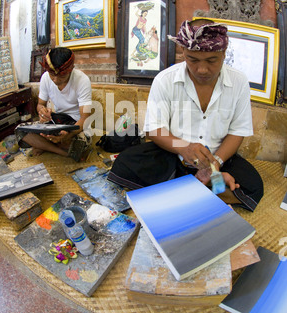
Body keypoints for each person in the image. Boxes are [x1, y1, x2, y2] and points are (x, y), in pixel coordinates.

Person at [108, 18, 264, 211]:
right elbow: (154, 129)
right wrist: (183, 147)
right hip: (174, 154)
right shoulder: (165, 80)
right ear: (183, 53)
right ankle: (208, 188)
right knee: (124, 164)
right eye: (193, 59)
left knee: (254, 186)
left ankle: (190, 186)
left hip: (218, 156)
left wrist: (215, 165)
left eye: (211, 60)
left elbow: (237, 131)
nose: (202, 69)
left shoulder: (239, 82)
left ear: (224, 54)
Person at [15, 47, 92, 162]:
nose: (55, 80)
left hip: (75, 125)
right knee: (20, 130)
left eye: (61, 76)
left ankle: (45, 145)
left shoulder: (82, 81)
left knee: (80, 144)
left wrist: (68, 135)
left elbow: (85, 118)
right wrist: (42, 112)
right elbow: (40, 104)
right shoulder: (46, 78)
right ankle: (62, 151)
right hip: (56, 121)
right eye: (52, 74)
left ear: (71, 69)